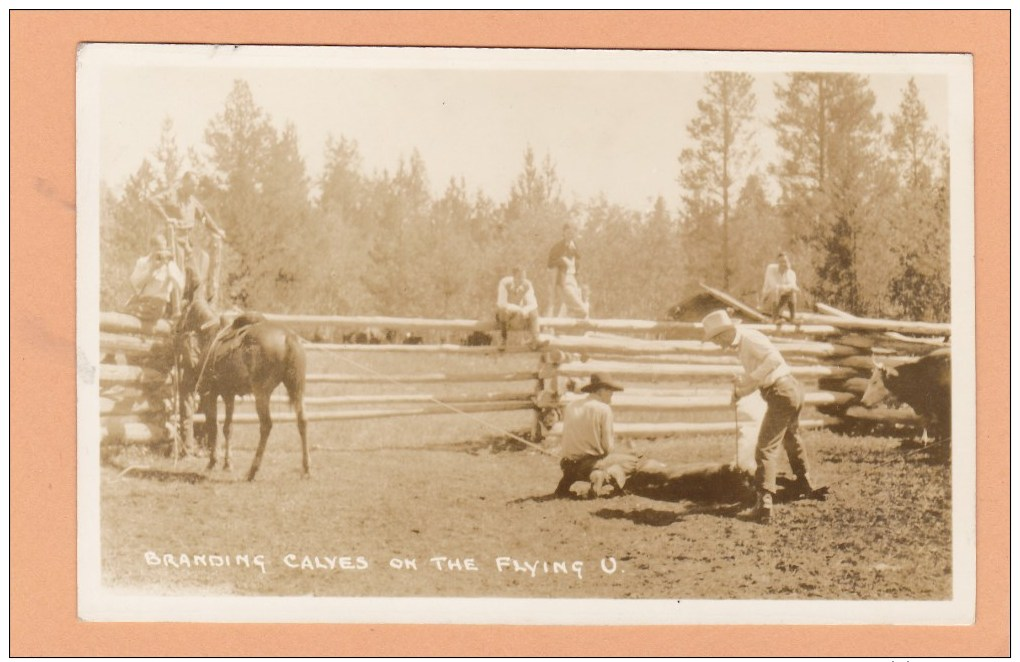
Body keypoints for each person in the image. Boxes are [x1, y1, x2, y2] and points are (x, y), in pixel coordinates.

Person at [702, 309, 825, 523]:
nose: (719, 346)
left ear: (722, 334)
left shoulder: (750, 337)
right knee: (791, 437)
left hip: (782, 391)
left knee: (765, 447)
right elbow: (759, 378)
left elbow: (774, 360)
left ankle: (764, 504)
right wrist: (740, 391)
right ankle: (804, 483)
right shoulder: (742, 345)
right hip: (790, 389)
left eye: (716, 341)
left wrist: (749, 379)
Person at [553, 373, 640, 499]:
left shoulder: (572, 406)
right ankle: (601, 476)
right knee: (634, 461)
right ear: (601, 390)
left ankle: (569, 480)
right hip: (589, 464)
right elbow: (608, 448)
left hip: (567, 464)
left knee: (597, 462)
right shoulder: (604, 409)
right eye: (610, 390)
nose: (612, 394)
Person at [155, 171, 226, 303]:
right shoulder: (172, 195)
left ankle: (190, 306)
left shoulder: (192, 201)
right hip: (173, 239)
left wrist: (217, 230)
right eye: (192, 185)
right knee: (178, 276)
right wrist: (166, 218)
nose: (194, 188)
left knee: (197, 278)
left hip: (186, 242)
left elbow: (204, 217)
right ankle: (175, 310)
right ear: (184, 182)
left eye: (196, 186)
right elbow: (152, 201)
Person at [127, 233, 185, 321]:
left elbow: (180, 285)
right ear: (151, 248)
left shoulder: (169, 264)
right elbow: (135, 284)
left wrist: (169, 267)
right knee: (126, 310)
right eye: (158, 250)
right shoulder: (142, 262)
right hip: (142, 302)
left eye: (163, 249)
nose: (161, 253)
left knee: (131, 312)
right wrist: (151, 270)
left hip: (157, 306)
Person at [546, 223, 589, 319]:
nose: (571, 234)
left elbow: (578, 266)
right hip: (564, 280)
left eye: (573, 232)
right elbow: (550, 264)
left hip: (574, 280)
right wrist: (561, 261)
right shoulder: (557, 247)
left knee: (566, 308)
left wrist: (581, 283)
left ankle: (559, 329)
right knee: (581, 310)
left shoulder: (576, 247)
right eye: (568, 232)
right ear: (564, 233)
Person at [495, 266, 542, 349]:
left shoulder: (527, 285)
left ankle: (536, 340)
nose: (522, 280)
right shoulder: (505, 283)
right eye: (519, 277)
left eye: (524, 277)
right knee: (503, 311)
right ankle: (503, 339)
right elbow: (502, 303)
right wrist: (518, 309)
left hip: (519, 315)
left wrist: (524, 310)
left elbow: (533, 304)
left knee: (534, 311)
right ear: (514, 276)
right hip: (506, 313)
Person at [760, 251, 800, 324]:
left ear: (789, 262)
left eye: (785, 261)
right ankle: (775, 319)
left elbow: (794, 288)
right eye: (781, 262)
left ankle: (793, 318)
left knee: (792, 293)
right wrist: (787, 287)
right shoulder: (771, 269)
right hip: (768, 300)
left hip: (781, 302)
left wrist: (786, 288)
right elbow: (774, 286)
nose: (783, 264)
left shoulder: (791, 273)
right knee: (775, 290)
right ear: (777, 263)